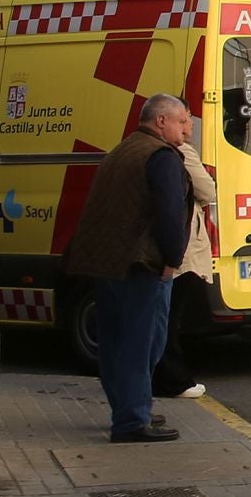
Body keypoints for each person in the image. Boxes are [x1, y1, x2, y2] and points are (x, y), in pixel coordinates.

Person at [63, 93, 194, 443]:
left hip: (107, 262)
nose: (188, 131)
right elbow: (169, 215)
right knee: (144, 341)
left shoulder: (123, 150)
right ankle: (132, 419)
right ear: (161, 121)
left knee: (115, 342)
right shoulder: (162, 157)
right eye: (183, 122)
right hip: (141, 264)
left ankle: (128, 408)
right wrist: (171, 259)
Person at [152, 139, 214, 400]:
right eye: (183, 121)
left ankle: (163, 379)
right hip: (181, 253)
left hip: (172, 251)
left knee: (165, 318)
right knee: (168, 320)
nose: (187, 128)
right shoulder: (179, 152)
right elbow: (208, 191)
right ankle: (173, 381)